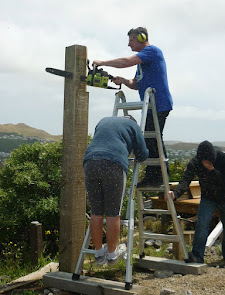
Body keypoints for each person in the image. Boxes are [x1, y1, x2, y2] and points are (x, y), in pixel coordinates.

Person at [93, 26, 173, 186]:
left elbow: (126, 62)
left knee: (153, 140)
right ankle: (157, 176)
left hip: (159, 103)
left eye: (132, 40)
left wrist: (102, 62)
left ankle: (157, 177)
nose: (129, 44)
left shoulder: (152, 51)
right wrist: (123, 80)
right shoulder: (142, 63)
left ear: (142, 38)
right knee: (152, 140)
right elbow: (136, 84)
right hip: (151, 105)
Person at [83, 115, 149, 265]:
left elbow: (102, 141)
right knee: (113, 213)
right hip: (113, 164)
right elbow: (142, 155)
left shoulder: (103, 120)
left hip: (90, 161)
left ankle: (99, 254)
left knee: (96, 212)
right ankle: (112, 255)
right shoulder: (134, 126)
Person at [166, 141, 225, 264]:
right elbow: (185, 181)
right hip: (208, 198)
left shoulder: (221, 159)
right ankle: (197, 257)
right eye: (205, 162)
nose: (206, 164)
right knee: (202, 225)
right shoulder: (195, 162)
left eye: (209, 161)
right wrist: (175, 194)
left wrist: (212, 170)